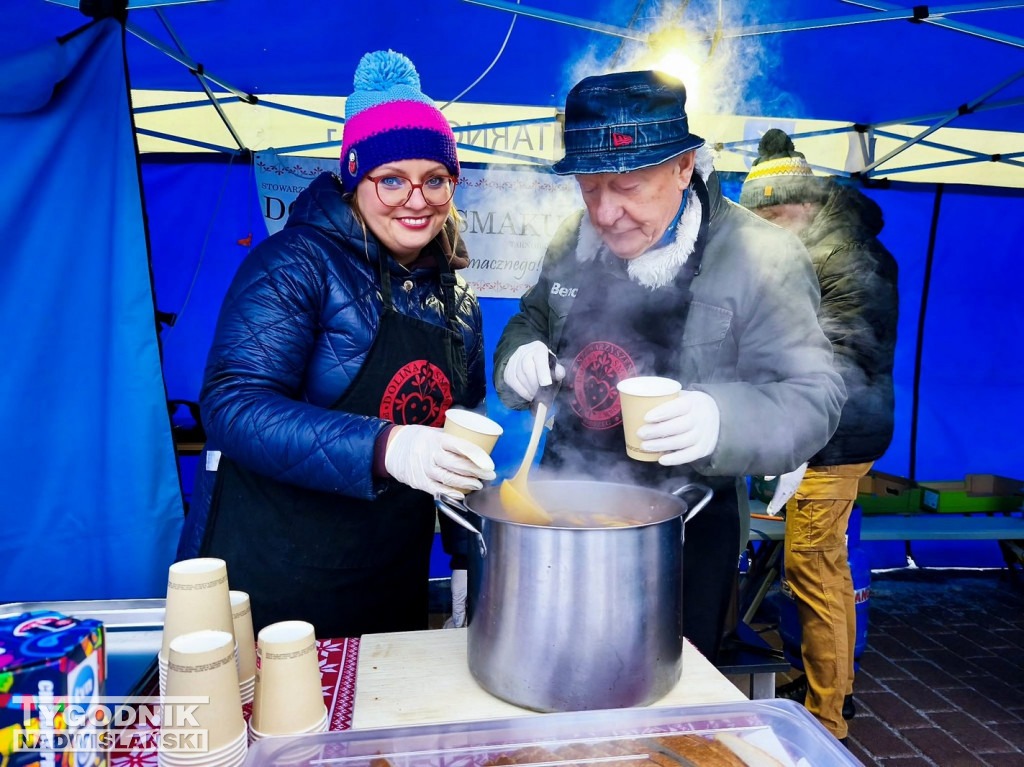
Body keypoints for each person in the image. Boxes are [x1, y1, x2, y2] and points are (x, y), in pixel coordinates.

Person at [492, 70, 847, 664]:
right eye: (589, 187)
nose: (605, 214)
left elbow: (813, 395)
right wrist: (520, 358)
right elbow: (530, 320)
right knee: (554, 667)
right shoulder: (571, 240)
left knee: (663, 688)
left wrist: (719, 419)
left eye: (627, 186)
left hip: (684, 522)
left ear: (684, 168)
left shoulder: (759, 254)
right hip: (564, 500)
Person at [175, 50, 495, 638]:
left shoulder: (460, 302)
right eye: (391, 179)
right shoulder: (295, 264)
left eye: (435, 180)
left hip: (386, 579)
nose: (417, 200)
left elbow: (461, 436)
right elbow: (232, 406)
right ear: (353, 178)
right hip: (276, 578)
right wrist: (385, 447)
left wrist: (464, 562)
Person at [741, 128, 899, 743]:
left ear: (805, 202)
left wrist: (800, 438)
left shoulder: (849, 257)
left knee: (816, 566)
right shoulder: (816, 245)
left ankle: (828, 715)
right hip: (820, 430)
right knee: (805, 563)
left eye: (779, 214)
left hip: (835, 437)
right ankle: (811, 681)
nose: (773, 229)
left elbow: (841, 358)